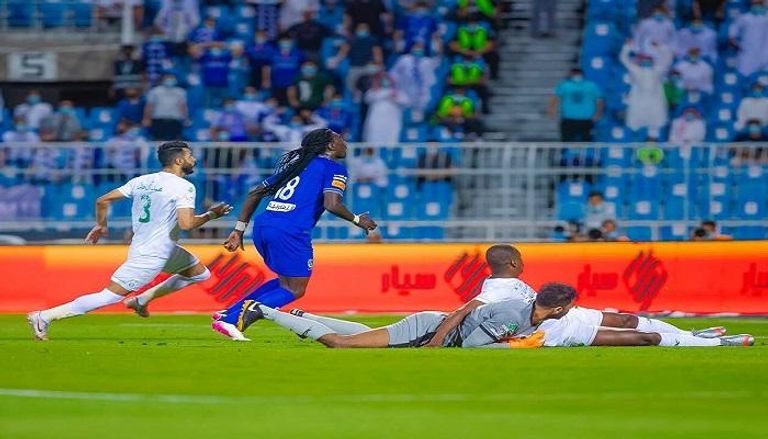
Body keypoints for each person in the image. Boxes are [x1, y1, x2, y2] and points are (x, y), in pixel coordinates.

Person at [27, 141, 233, 340]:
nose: (194, 159)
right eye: (190, 156)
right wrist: (212, 215)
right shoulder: (184, 187)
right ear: (179, 161)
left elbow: (102, 200)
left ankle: (141, 300)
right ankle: (44, 317)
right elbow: (187, 224)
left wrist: (101, 224)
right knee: (109, 296)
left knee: (200, 274)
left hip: (160, 247)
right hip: (152, 254)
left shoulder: (141, 181)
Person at [211, 129, 378, 341]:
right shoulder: (335, 169)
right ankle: (232, 321)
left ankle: (230, 312)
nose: (345, 142)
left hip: (264, 225)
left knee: (285, 283)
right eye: (340, 139)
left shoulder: (298, 165)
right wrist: (357, 219)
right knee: (296, 289)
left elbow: (255, 192)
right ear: (330, 146)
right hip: (291, 230)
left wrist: (238, 230)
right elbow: (332, 204)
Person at [419, 244, 748, 349]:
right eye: (521, 258)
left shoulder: (507, 281)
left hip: (564, 313)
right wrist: (439, 341)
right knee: (639, 337)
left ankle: (690, 334)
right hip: (555, 330)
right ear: (513, 263)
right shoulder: (494, 291)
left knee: (626, 319)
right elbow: (461, 312)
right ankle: (716, 344)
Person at [237, 282, 577, 348]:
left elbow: (467, 314)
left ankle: (303, 315)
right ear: (559, 308)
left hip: (431, 324)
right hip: (427, 330)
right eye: (570, 308)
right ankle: (262, 309)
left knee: (365, 332)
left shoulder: (525, 312)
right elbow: (474, 344)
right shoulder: (517, 318)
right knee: (344, 344)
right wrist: (518, 346)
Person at [621, 41, 673, 133]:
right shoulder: (636, 70)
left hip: (655, 102)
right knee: (635, 126)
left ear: (653, 62)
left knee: (656, 125)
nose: (646, 62)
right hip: (639, 102)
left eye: (649, 60)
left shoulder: (657, 70)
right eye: (644, 60)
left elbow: (668, 58)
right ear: (640, 62)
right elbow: (623, 59)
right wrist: (627, 48)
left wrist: (660, 47)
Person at [548, 68, 604, 142]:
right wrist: (552, 111)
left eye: (578, 74)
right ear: (571, 75)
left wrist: (598, 114)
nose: (577, 76)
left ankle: (585, 153)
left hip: (586, 119)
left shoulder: (591, 86)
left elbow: (600, 101)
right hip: (568, 118)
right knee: (566, 141)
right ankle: (565, 153)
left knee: (586, 142)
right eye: (575, 74)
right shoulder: (564, 85)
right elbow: (555, 99)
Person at [388, 42, 439, 118]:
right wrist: (394, 89)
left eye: (421, 48)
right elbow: (393, 74)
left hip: (422, 95)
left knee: (418, 118)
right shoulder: (404, 59)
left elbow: (431, 80)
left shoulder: (428, 62)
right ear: (412, 48)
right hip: (405, 93)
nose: (418, 49)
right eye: (416, 47)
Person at [335, 23, 384, 94]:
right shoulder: (352, 39)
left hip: (368, 68)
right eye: (361, 28)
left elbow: (377, 54)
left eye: (364, 28)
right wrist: (337, 60)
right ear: (357, 29)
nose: (362, 30)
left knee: (371, 89)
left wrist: (380, 66)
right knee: (350, 90)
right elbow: (344, 51)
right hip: (355, 68)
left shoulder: (372, 40)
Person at [728, 0, 768, 77]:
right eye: (755, 4)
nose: (757, 6)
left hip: (764, 55)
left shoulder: (766, 17)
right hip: (747, 55)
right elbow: (732, 33)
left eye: (759, 3)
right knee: (745, 76)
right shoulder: (744, 18)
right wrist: (737, 44)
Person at [143, 74, 189, 141]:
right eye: (168, 78)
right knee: (159, 140)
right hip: (158, 120)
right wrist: (146, 118)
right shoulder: (155, 91)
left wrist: (185, 119)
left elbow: (182, 106)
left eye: (172, 79)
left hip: (175, 120)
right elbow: (149, 106)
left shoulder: (181, 92)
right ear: (163, 80)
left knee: (174, 141)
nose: (169, 80)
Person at [268, 38, 305, 105]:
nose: (285, 45)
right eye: (283, 43)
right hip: (277, 83)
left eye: (288, 43)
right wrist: (267, 80)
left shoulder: (298, 53)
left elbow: (303, 66)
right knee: (277, 103)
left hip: (292, 84)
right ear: (279, 44)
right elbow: (268, 68)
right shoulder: (273, 53)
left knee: (292, 103)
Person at [195, 43, 232, 108]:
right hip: (208, 85)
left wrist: (221, 45)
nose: (215, 49)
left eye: (217, 47)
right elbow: (196, 52)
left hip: (223, 85)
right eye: (213, 47)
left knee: (225, 105)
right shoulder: (205, 57)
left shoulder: (225, 57)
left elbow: (232, 50)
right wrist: (207, 45)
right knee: (208, 105)